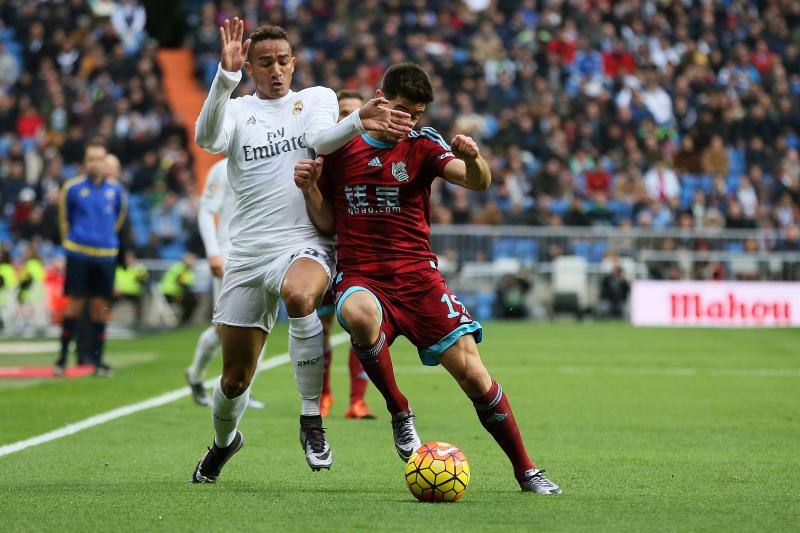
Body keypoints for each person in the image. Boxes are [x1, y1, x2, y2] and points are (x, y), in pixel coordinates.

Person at [294, 63, 561, 494]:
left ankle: (526, 470)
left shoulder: (422, 144)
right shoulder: (339, 148)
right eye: (401, 110)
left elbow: (476, 182)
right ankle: (400, 410)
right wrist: (310, 190)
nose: (408, 121)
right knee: (360, 315)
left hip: (419, 281)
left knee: (475, 377)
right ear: (380, 97)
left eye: (416, 114)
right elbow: (326, 225)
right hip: (363, 276)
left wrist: (474, 159)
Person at [189, 18, 412, 482]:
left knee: (300, 296)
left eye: (283, 61)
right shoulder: (236, 109)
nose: (276, 70)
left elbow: (320, 140)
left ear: (295, 63)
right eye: (265, 63)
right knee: (233, 380)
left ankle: (311, 420)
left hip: (303, 241)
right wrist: (223, 79)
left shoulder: (317, 99)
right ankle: (224, 443)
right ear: (249, 67)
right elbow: (207, 139)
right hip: (247, 253)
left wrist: (357, 120)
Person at [185, 157, 264, 409]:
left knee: (260, 325)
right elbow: (207, 210)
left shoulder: (268, 162)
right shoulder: (221, 169)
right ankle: (196, 374)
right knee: (225, 328)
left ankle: (245, 388)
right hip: (230, 256)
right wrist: (213, 252)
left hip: (263, 255)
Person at [318, 89, 375, 420]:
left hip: (361, 257)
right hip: (328, 252)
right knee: (321, 328)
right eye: (343, 112)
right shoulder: (324, 156)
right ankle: (323, 396)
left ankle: (358, 401)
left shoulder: (375, 155)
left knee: (362, 328)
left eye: (355, 111)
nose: (349, 118)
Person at [54, 141, 126, 377]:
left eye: (100, 158)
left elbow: (117, 220)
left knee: (99, 308)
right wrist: (71, 244)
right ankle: (62, 359)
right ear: (85, 163)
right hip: (79, 254)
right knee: (74, 305)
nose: (96, 163)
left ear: (106, 162)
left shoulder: (116, 191)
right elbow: (65, 220)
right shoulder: (72, 188)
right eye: (92, 158)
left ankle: (98, 361)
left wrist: (104, 240)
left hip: (105, 255)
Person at [114, 251, 149, 330]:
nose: (128, 260)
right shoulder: (119, 269)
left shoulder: (139, 269)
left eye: (130, 258)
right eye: (127, 258)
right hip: (120, 293)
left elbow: (144, 281)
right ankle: (107, 319)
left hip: (135, 293)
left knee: (141, 301)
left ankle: (138, 323)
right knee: (107, 303)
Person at [160, 253, 198, 324]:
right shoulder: (179, 268)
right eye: (191, 260)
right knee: (191, 300)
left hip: (176, 294)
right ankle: (184, 320)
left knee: (192, 300)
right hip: (170, 294)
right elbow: (182, 283)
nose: (193, 262)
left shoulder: (188, 270)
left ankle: (184, 319)